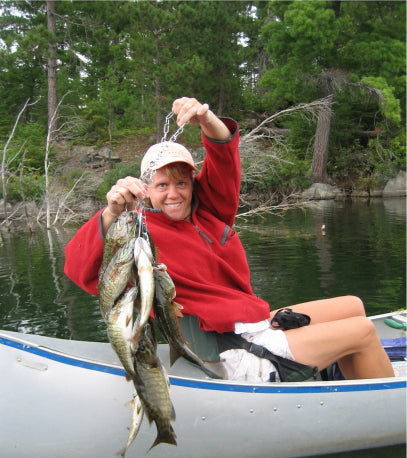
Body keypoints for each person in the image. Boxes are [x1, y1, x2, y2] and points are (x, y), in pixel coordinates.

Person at [64, 96, 394, 382]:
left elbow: (224, 156)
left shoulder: (212, 213)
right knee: (363, 333)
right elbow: (81, 271)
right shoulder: (137, 237)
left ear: (193, 184)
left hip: (253, 324)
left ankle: (352, 373)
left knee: (355, 307)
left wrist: (205, 117)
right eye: (162, 185)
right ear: (146, 190)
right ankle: (385, 405)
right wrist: (108, 214)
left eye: (181, 182)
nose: (173, 193)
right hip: (232, 354)